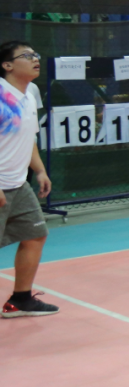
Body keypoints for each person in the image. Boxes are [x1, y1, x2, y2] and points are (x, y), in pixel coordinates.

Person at [0, 42, 57, 318]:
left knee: (35, 235)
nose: (35, 59)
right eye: (27, 56)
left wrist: (40, 171)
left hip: (18, 184)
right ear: (7, 65)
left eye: (36, 55)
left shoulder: (30, 94)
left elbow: (28, 137)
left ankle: (20, 300)